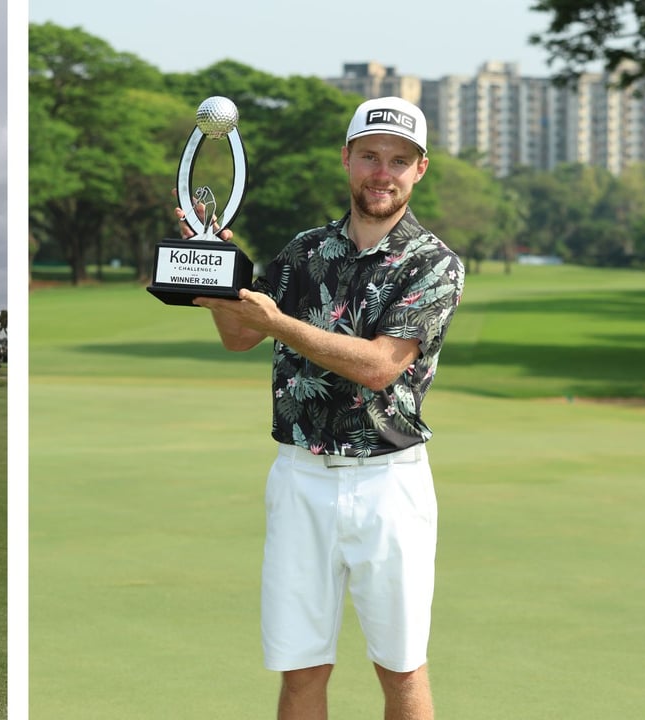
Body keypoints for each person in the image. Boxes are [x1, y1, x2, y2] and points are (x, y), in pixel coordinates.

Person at [180, 96, 465, 719]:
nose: (382, 172)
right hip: (300, 477)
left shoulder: (434, 263)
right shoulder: (304, 250)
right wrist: (215, 273)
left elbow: (380, 365)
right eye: (370, 156)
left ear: (420, 168)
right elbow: (240, 336)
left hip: (389, 484)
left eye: (398, 160)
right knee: (301, 668)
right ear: (347, 159)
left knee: (401, 668)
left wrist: (277, 322)